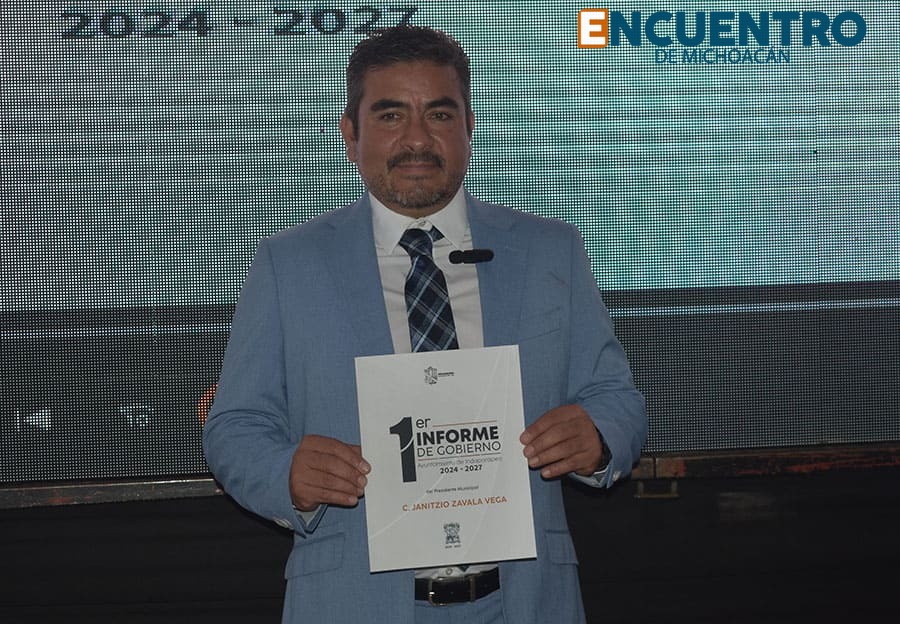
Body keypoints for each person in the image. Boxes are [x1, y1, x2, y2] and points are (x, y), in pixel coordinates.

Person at [203, 25, 647, 624]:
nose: (417, 138)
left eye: (439, 114)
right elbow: (235, 426)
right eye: (390, 116)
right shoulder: (289, 264)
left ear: (469, 128)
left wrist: (597, 437)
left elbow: (616, 399)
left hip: (525, 602)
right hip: (352, 605)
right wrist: (287, 476)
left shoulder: (550, 250)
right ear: (350, 134)